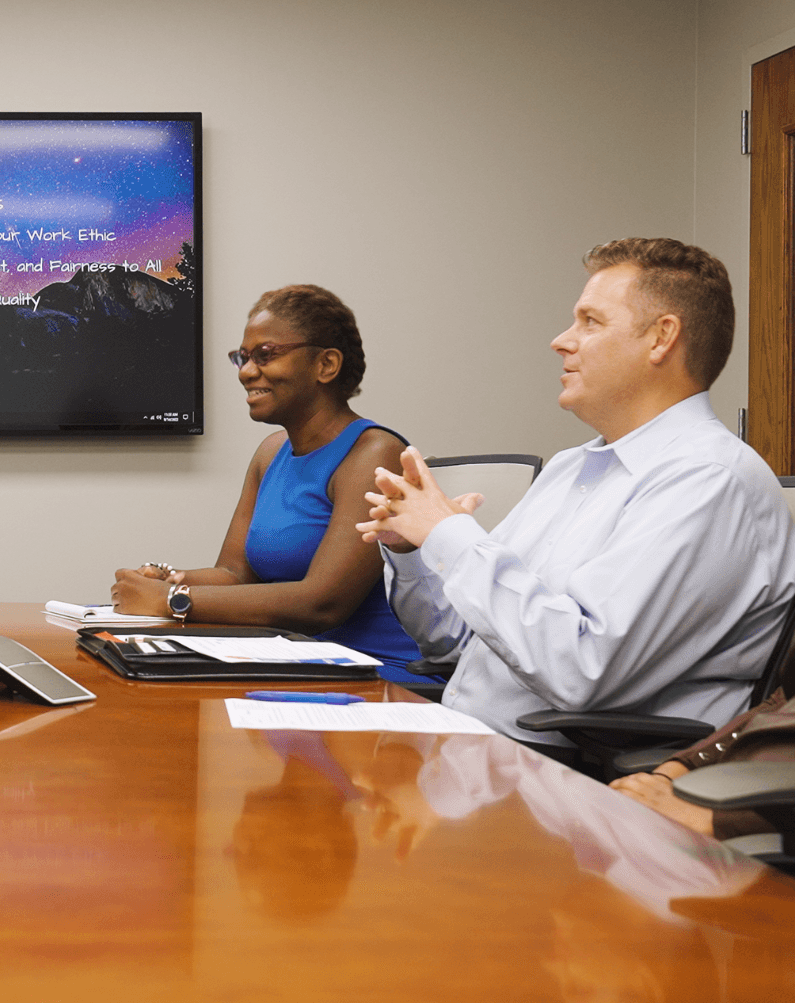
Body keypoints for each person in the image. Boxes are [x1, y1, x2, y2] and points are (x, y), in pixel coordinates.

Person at [360, 238, 795, 746]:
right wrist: (416, 550)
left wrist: (452, 536)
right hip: (470, 751)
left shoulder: (709, 479)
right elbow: (455, 643)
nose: (562, 341)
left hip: (571, 779)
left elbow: (580, 670)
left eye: (590, 322)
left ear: (661, 338)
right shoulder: (572, 467)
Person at [110, 286, 430, 682]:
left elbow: (322, 604)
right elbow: (233, 573)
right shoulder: (271, 452)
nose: (246, 372)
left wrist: (174, 602)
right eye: (242, 358)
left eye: (265, 355)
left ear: (326, 364)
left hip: (378, 676)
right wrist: (169, 579)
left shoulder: (375, 454)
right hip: (295, 664)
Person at [610, 690, 795, 840]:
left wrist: (716, 823)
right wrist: (674, 772)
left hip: (768, 831)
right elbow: (782, 699)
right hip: (727, 791)